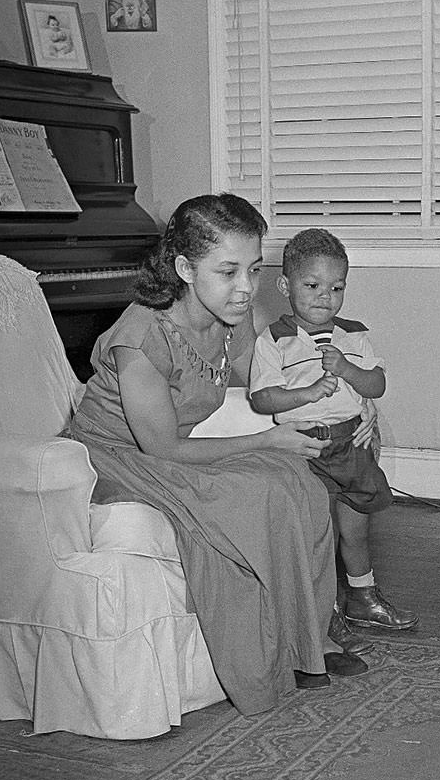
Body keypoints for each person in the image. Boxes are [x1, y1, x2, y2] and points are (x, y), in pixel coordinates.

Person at [70, 193, 369, 715]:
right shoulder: (140, 340)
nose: (247, 288)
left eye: (253, 269)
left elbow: (269, 385)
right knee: (253, 491)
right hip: (114, 456)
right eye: (228, 271)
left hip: (168, 450)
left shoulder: (231, 313)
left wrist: (355, 405)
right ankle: (262, 662)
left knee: (299, 482)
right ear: (185, 268)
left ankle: (310, 640)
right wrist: (266, 440)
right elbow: (161, 447)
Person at [250, 227, 419, 645]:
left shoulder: (355, 334)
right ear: (285, 286)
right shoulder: (274, 340)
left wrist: (347, 369)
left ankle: (363, 597)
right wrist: (307, 393)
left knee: (356, 530)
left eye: (336, 287)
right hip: (308, 449)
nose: (325, 296)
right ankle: (323, 612)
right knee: (318, 535)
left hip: (353, 446)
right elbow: (262, 398)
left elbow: (376, 385)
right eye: (312, 285)